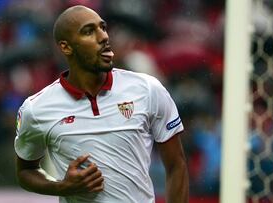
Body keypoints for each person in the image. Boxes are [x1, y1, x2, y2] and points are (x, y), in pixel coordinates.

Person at [14, 5, 189, 203]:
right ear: (66, 47)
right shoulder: (36, 108)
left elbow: (176, 165)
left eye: (103, 28)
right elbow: (26, 171)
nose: (104, 37)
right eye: (89, 31)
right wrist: (61, 187)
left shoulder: (148, 89)